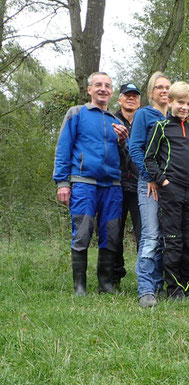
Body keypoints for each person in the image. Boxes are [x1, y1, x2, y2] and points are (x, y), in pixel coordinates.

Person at [53, 71, 127, 296]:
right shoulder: (76, 114)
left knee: (112, 233)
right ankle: (80, 287)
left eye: (107, 85)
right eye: (98, 85)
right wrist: (62, 182)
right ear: (89, 89)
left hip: (113, 185)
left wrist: (123, 142)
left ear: (112, 92)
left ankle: (105, 284)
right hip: (84, 183)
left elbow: (124, 159)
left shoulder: (117, 122)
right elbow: (63, 148)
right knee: (82, 231)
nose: (103, 89)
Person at [144, 81, 189, 300]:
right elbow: (149, 158)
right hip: (172, 191)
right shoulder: (161, 127)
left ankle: (186, 288)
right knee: (173, 240)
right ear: (170, 101)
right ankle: (174, 289)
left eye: (188, 103)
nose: (184, 107)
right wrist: (163, 181)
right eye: (180, 102)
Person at [128, 71, 171, 308]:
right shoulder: (144, 114)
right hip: (149, 184)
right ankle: (145, 289)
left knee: (166, 236)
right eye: (159, 87)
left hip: (170, 186)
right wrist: (149, 176)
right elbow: (135, 148)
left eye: (167, 87)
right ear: (151, 92)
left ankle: (159, 284)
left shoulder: (175, 117)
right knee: (151, 234)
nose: (164, 91)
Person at [113, 82, 142, 289]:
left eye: (134, 96)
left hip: (140, 185)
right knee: (114, 232)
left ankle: (146, 278)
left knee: (144, 233)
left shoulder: (144, 121)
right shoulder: (110, 120)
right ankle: (114, 276)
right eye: (127, 95)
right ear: (120, 99)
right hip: (116, 184)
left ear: (140, 101)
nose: (131, 98)